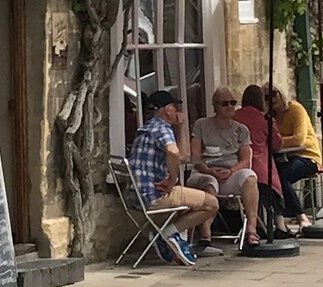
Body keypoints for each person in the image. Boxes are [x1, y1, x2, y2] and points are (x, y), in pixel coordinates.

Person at [127, 89, 219, 266]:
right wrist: (173, 179)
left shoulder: (145, 129)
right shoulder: (162, 127)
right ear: (167, 110)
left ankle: (169, 236)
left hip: (135, 198)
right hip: (155, 196)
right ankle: (168, 233)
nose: (178, 111)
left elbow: (182, 156)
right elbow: (174, 151)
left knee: (188, 201)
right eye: (175, 107)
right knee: (211, 204)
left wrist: (179, 127)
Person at [189, 87, 262, 249]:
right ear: (215, 106)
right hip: (205, 171)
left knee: (250, 177)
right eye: (225, 103)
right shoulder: (202, 125)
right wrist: (208, 170)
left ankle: (251, 228)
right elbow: (195, 157)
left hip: (230, 173)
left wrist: (231, 171)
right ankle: (206, 233)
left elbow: (245, 160)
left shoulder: (241, 129)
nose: (230, 106)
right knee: (210, 183)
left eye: (233, 103)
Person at [234, 85, 305, 230]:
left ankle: (255, 226)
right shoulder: (265, 119)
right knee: (274, 185)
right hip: (261, 167)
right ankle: (280, 226)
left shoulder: (234, 117)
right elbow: (277, 144)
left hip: (237, 167)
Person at [269, 87, 319, 227]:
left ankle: (300, 215)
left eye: (273, 94)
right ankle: (278, 216)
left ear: (281, 93)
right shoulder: (269, 116)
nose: (271, 99)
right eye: (266, 97)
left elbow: (299, 139)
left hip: (307, 155)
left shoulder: (296, 109)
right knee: (270, 175)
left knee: (281, 176)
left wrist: (277, 142)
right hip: (285, 157)